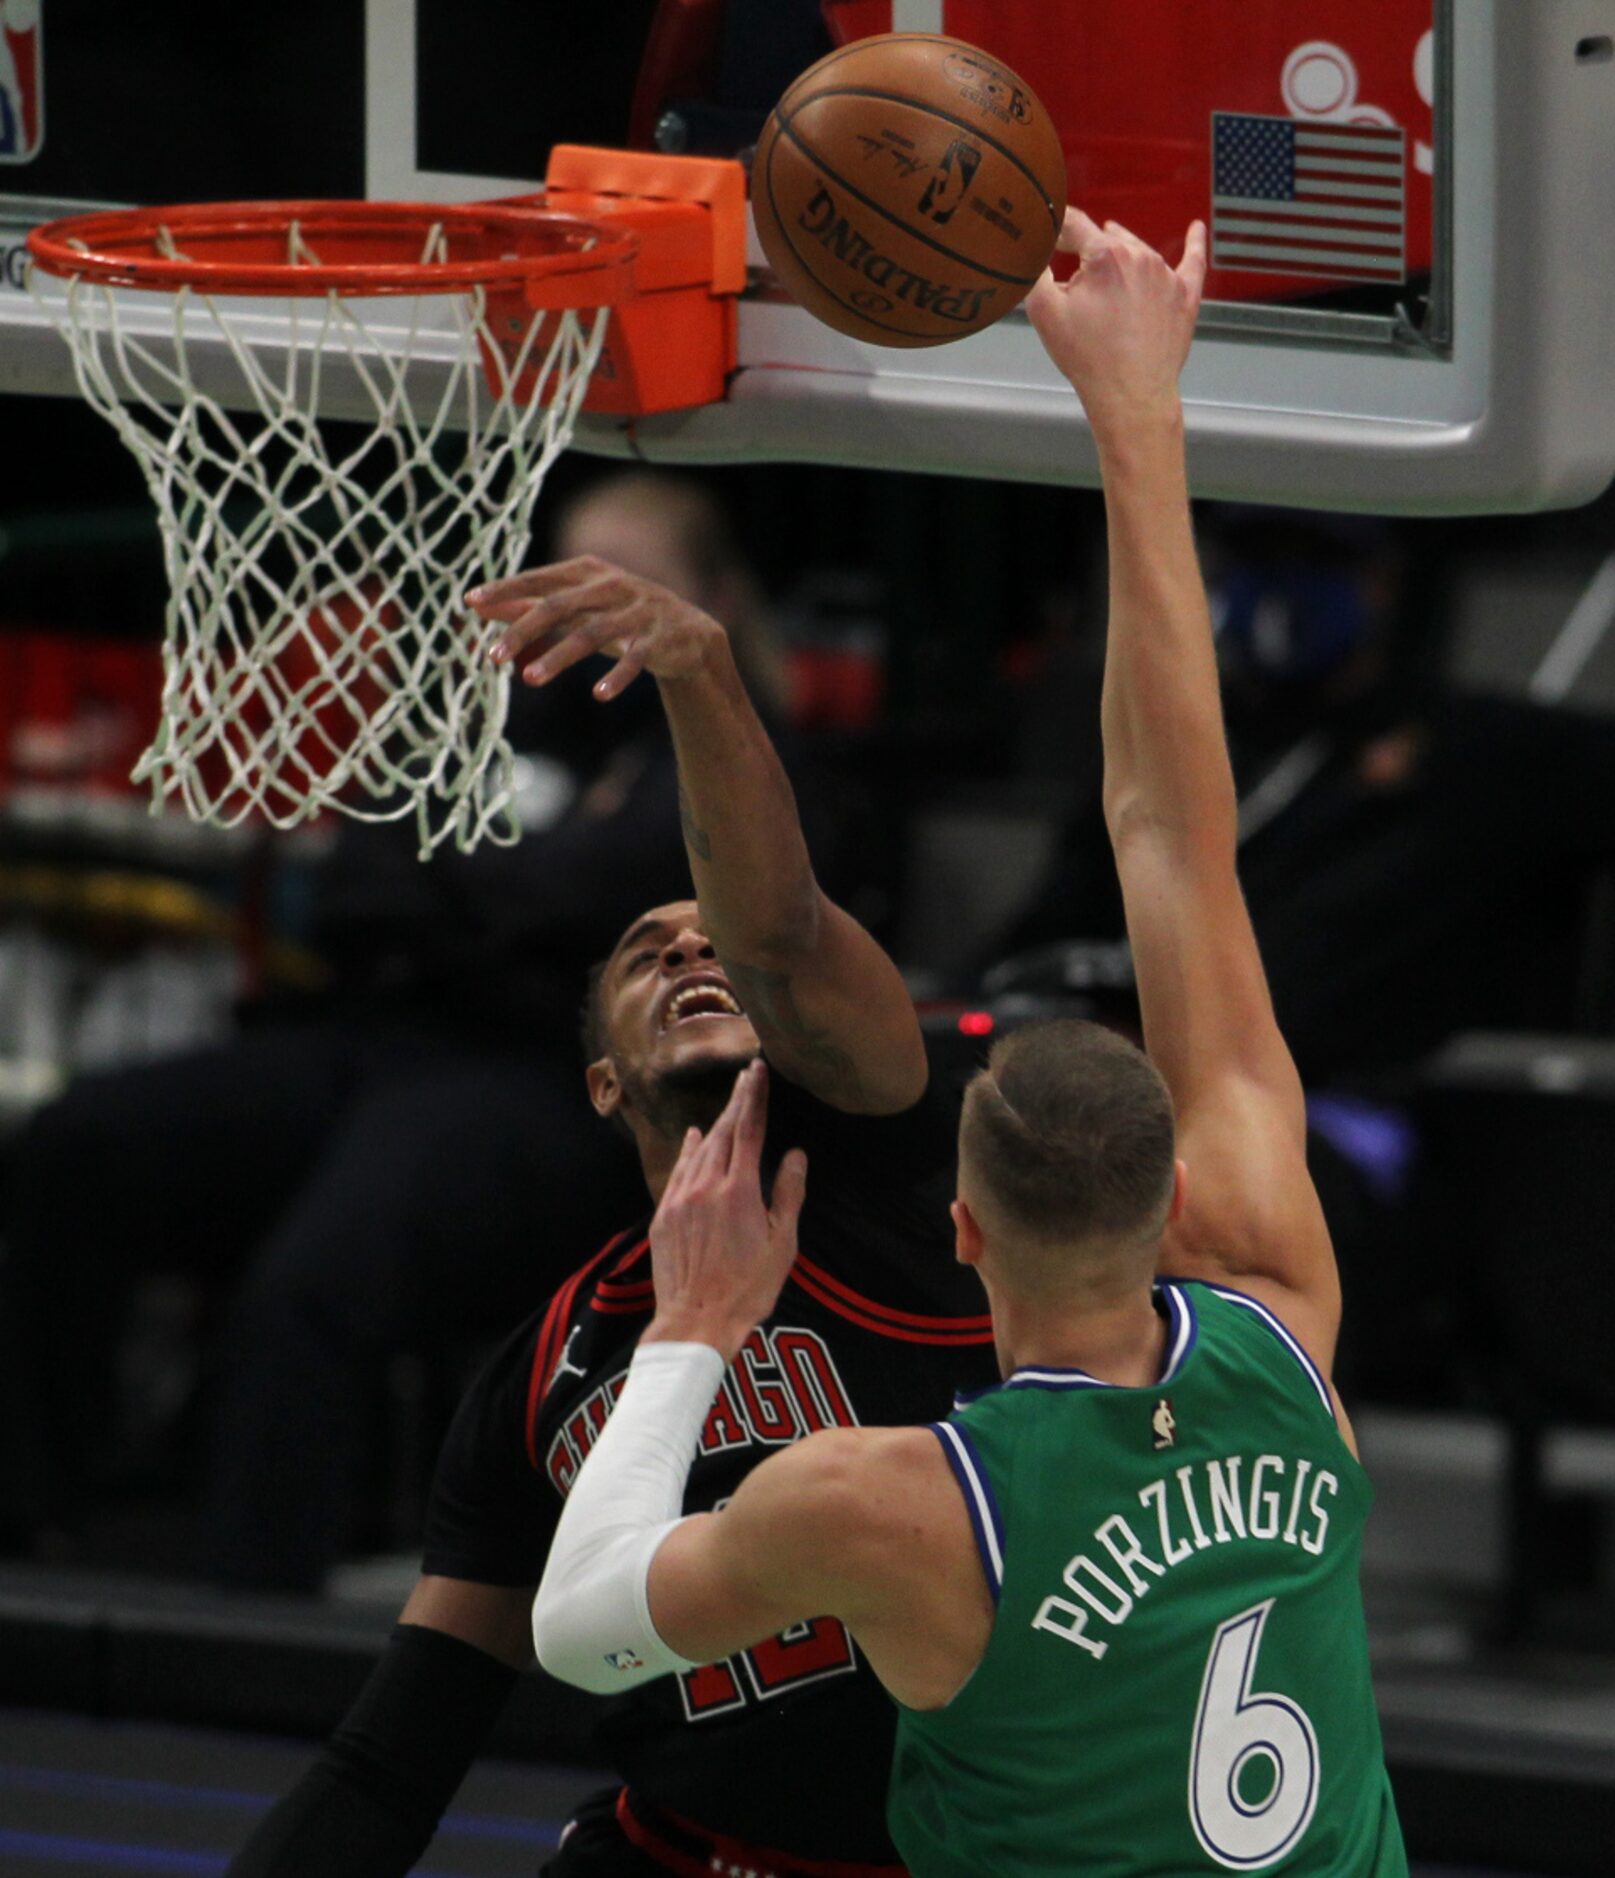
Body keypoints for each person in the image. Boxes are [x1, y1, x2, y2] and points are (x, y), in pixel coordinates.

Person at [531, 211, 1408, 1876]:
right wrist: (1142, 414)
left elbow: (580, 1628)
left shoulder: (898, 1499)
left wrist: (695, 1325)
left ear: (960, 1231)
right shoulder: (1285, 1317)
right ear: (1175, 1201)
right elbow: (1175, 832)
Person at [225, 509, 998, 1869]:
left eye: (718, 950)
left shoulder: (887, 1160)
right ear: (600, 1083)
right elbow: (392, 1755)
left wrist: (699, 673)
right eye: (647, 953)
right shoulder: (545, 1371)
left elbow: (784, 923)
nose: (694, 953)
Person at [0, 470, 802, 1590]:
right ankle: (39, 1524)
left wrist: (462, 901)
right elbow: (363, 879)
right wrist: (508, 911)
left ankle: (246, 1605)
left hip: (562, 1085)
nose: (592, 615)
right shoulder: (484, 714)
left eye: (634, 584)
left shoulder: (739, 763)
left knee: (318, 1276)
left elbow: (618, 915)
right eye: (575, 579)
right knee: (77, 1144)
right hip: (382, 1041)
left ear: (706, 599)